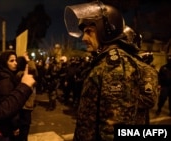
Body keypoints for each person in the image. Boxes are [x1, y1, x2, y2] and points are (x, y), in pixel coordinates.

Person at [64, 1, 158, 140]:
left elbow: (113, 130)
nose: (84, 38)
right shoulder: (104, 61)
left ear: (106, 30)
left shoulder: (115, 66)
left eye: (89, 32)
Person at [0, 50, 20, 141]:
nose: (15, 63)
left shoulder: (3, 76)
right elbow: (8, 106)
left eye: (15, 60)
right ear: (4, 63)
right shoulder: (5, 82)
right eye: (11, 61)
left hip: (2, 124)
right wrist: (15, 126)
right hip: (6, 127)